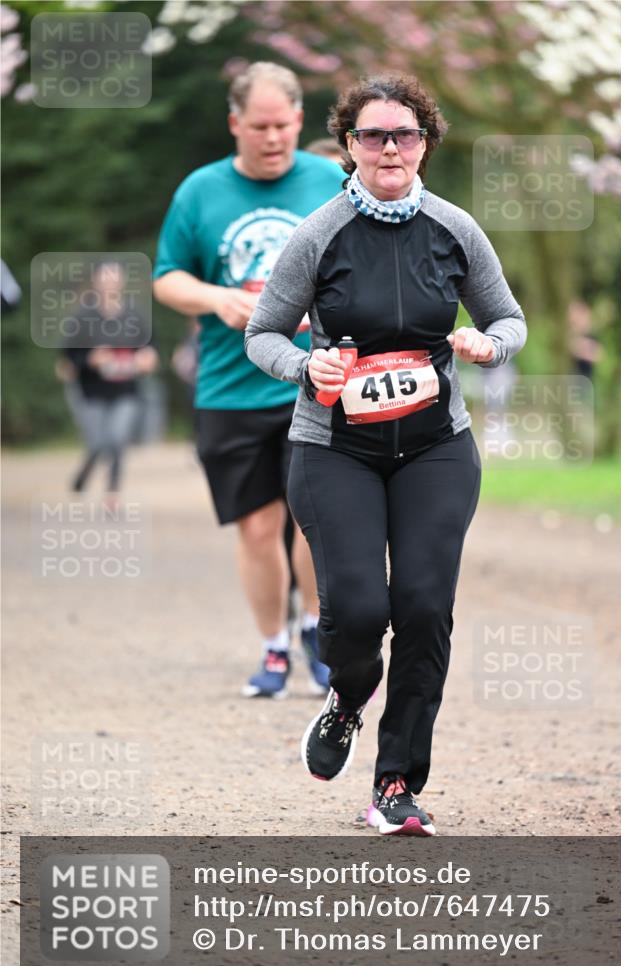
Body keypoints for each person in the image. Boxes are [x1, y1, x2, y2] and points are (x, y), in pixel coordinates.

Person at [245, 75, 527, 836]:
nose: (389, 148)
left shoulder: (455, 229)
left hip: (436, 445)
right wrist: (306, 366)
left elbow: (507, 318)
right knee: (361, 611)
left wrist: (485, 344)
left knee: (425, 608)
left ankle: (395, 782)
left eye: (402, 133)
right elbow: (263, 332)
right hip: (334, 446)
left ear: (424, 141)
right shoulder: (320, 233)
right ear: (349, 147)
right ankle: (345, 698)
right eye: (372, 136)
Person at [153, 62, 344, 698]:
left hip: (316, 383)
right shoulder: (199, 192)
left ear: (299, 123)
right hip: (229, 389)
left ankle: (318, 631)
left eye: (283, 125)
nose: (272, 138)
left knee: (313, 520)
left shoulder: (329, 180)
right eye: (258, 126)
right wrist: (215, 297)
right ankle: (272, 648)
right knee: (258, 527)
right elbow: (165, 277)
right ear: (235, 124)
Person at [62, 261, 158, 498]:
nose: (110, 282)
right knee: (97, 443)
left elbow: (150, 349)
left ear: (122, 281)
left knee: (117, 438)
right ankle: (84, 473)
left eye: (114, 277)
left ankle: (112, 491)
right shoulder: (83, 317)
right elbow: (68, 359)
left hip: (126, 389)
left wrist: (147, 358)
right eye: (105, 277)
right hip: (91, 391)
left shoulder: (135, 315)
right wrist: (90, 359)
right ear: (96, 281)